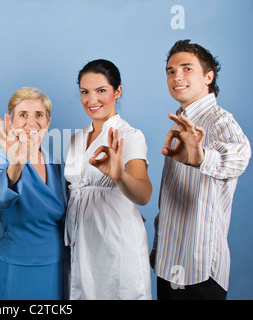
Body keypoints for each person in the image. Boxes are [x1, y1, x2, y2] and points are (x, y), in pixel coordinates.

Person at [150, 40, 251, 300]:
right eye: (170, 71)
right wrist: (159, 246)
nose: (177, 76)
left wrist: (200, 157)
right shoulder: (180, 120)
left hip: (200, 269)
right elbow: (170, 198)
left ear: (208, 76)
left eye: (187, 69)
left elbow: (240, 157)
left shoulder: (219, 119)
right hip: (168, 264)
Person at [64, 59, 152, 299]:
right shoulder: (75, 140)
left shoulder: (129, 136)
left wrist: (119, 176)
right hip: (81, 242)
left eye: (101, 90)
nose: (92, 100)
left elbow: (143, 194)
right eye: (85, 92)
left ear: (117, 91)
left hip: (117, 243)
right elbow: (73, 191)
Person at [0, 87, 67, 300]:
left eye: (39, 115)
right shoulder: (0, 158)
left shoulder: (55, 163)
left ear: (48, 122)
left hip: (56, 264)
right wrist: (17, 163)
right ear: (11, 122)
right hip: (16, 264)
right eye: (23, 115)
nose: (32, 122)